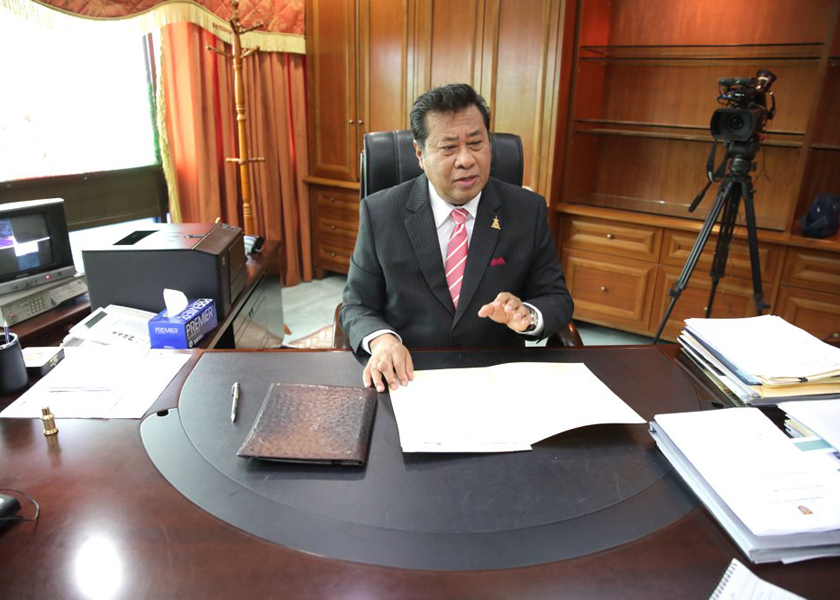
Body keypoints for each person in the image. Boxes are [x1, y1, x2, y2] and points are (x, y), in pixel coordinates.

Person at [340, 83, 573, 392]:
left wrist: (527, 315)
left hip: (496, 379)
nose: (466, 160)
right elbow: (356, 305)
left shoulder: (526, 210)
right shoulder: (380, 212)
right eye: (449, 148)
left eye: (476, 143)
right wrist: (383, 341)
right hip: (409, 377)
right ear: (420, 154)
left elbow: (556, 298)